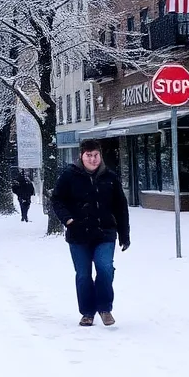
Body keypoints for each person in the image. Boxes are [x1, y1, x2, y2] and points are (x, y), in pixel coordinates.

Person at [50, 139, 130, 327]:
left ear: (100, 156)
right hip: (79, 235)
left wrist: (124, 234)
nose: (93, 159)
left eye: (96, 155)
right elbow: (57, 199)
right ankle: (87, 312)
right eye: (89, 156)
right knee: (83, 275)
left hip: (105, 233)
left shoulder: (110, 177)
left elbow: (121, 207)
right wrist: (68, 220)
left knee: (105, 268)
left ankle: (105, 308)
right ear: (81, 156)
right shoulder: (69, 176)